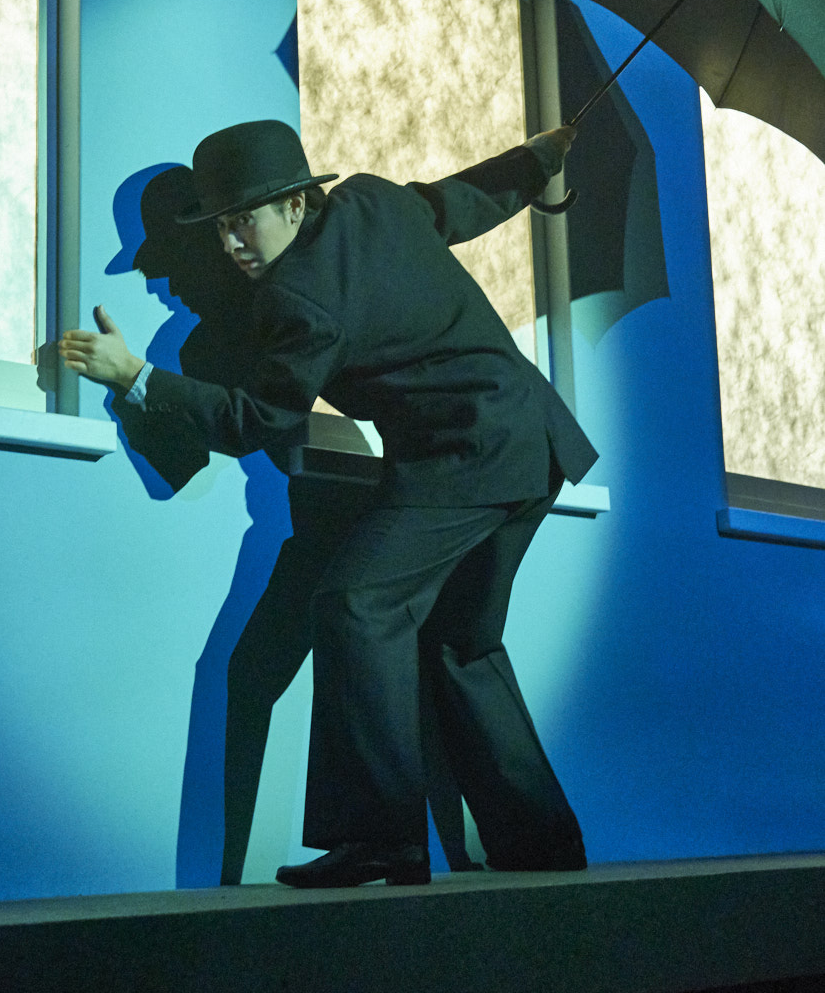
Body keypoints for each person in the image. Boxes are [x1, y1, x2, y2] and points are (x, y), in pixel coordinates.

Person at [60, 118, 598, 889]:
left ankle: (380, 842)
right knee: (461, 642)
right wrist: (536, 161)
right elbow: (459, 202)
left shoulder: (298, 297)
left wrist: (136, 377)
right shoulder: (375, 202)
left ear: (294, 203)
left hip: (464, 456)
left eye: (244, 220)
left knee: (354, 606)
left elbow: (255, 421)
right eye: (219, 227)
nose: (231, 244)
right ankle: (542, 845)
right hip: (533, 444)